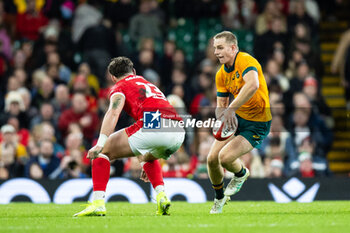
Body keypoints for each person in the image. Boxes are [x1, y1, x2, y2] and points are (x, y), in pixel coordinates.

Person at [74, 57, 185, 217]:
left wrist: (100, 143)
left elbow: (113, 112)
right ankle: (161, 196)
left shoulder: (120, 86)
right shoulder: (145, 82)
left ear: (112, 77)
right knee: (144, 154)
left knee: (103, 151)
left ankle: (98, 204)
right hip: (178, 130)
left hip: (154, 124)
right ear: (133, 71)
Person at [207, 31, 271, 214]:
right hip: (236, 118)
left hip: (257, 121)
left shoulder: (246, 60)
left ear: (233, 47)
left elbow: (253, 85)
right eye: (214, 48)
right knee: (211, 159)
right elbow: (221, 105)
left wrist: (230, 110)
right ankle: (219, 199)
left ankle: (241, 174)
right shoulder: (220, 74)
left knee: (225, 158)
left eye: (220, 48)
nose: (216, 52)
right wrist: (221, 118)